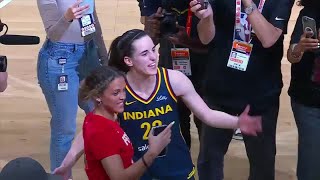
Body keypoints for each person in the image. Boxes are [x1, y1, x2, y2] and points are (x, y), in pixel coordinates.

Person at [54, 29, 262, 180]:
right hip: (139, 171)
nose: (153, 57)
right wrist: (70, 159)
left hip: (176, 168)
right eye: (145, 54)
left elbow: (206, 115)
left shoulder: (174, 80)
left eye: (153, 50)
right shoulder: (118, 89)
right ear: (128, 61)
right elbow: (95, 127)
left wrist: (237, 121)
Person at [190, 0, 294, 179]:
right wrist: (206, 19)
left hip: (261, 95)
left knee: (262, 164)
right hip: (219, 90)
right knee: (209, 161)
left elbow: (268, 38)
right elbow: (206, 38)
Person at [36, 0, 108, 173]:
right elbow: (53, 33)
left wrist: (104, 59)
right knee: (65, 128)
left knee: (102, 117)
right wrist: (67, 17)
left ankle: (102, 172)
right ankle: (60, 177)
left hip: (88, 55)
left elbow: (93, 21)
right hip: (60, 59)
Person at [79, 66, 173, 180]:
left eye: (124, 90)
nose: (123, 97)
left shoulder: (97, 118)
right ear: (98, 96)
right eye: (116, 93)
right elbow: (119, 178)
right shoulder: (101, 130)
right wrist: (152, 152)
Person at [137, 0, 207, 149]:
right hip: (170, 52)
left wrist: (190, 42)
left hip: (202, 57)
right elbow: (150, 34)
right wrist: (151, 32)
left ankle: (205, 162)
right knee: (175, 116)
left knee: (204, 118)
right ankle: (182, 164)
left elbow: (214, 43)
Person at [287, 0, 320, 179]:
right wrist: (300, 48)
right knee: (311, 166)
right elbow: (292, 56)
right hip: (310, 102)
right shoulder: (311, 12)